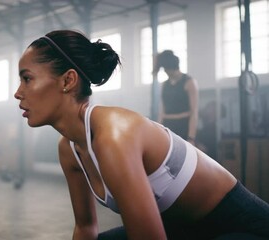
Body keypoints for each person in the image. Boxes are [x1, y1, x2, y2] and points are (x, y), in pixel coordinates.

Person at [14, 30, 269, 239]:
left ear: (68, 81)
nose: (18, 92)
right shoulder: (68, 149)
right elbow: (85, 228)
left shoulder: (114, 135)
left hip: (240, 225)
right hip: (183, 229)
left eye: (27, 79)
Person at [154, 50, 199, 145]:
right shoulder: (164, 85)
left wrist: (191, 137)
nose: (165, 71)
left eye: (166, 69)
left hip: (183, 126)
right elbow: (161, 112)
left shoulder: (189, 82)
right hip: (167, 126)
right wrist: (158, 131)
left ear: (171, 67)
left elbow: (194, 112)